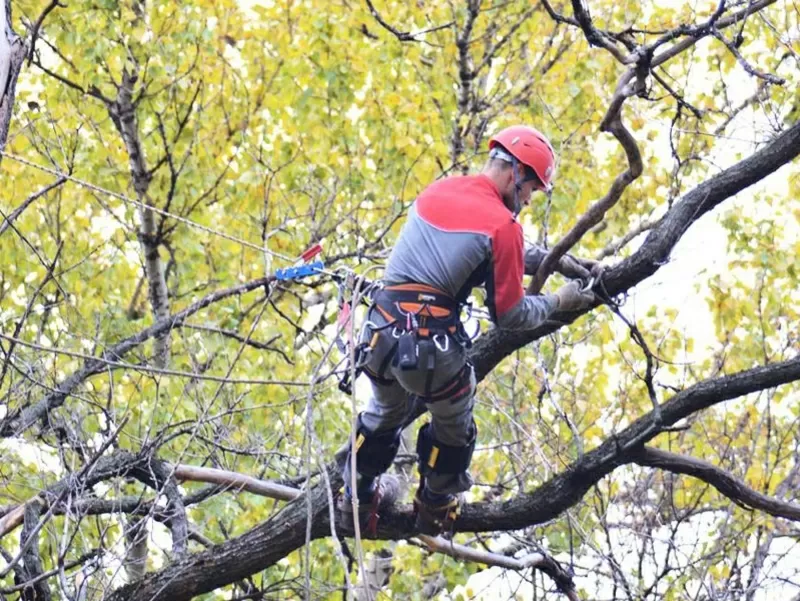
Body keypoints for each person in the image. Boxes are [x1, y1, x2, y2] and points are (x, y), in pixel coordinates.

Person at [337, 125, 601, 535]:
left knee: (384, 412)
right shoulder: (503, 226)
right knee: (455, 418)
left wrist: (558, 260)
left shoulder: (437, 192)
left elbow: (479, 251)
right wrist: (559, 301)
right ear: (516, 173)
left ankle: (357, 491)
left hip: (380, 332)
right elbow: (510, 315)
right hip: (430, 347)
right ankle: (436, 503)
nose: (529, 200)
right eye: (531, 188)